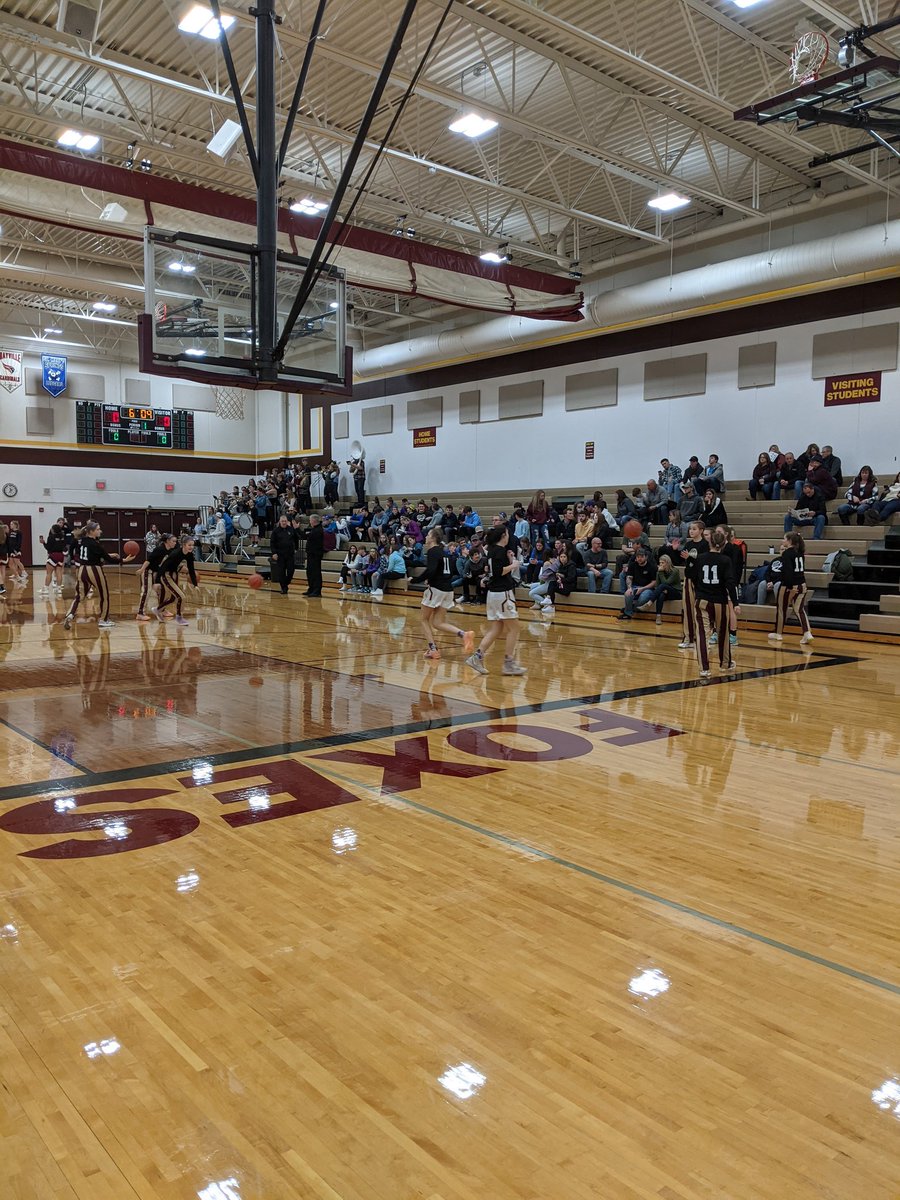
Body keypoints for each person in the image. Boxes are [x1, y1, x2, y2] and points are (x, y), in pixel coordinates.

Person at [465, 526, 525, 676]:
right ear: (503, 536)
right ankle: (509, 663)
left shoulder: (492, 550)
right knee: (514, 628)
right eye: (508, 533)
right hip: (502, 594)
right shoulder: (499, 550)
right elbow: (499, 572)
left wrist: (509, 560)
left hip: (493, 594)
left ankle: (476, 657)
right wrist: (514, 564)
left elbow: (492, 570)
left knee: (496, 629)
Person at [419, 530, 476, 660]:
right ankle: (463, 634)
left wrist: (416, 579)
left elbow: (430, 570)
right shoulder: (444, 553)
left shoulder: (433, 551)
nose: (426, 536)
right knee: (437, 622)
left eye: (428, 535)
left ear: (433, 538)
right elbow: (447, 573)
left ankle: (433, 649)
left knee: (424, 619)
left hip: (437, 589)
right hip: (448, 590)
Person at [64, 521, 127, 630]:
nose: (100, 531)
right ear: (91, 531)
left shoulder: (82, 541)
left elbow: (95, 553)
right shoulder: (95, 544)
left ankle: (70, 614)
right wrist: (123, 560)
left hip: (82, 569)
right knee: (104, 595)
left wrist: (110, 555)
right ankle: (104, 620)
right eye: (98, 529)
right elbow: (108, 559)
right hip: (94, 569)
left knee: (79, 596)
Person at [693, 528, 739, 677]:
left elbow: (693, 577)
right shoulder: (725, 560)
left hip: (702, 600)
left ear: (709, 542)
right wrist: (736, 603)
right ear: (723, 544)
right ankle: (725, 664)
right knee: (723, 633)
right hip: (720, 601)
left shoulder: (700, 558)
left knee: (702, 634)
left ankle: (704, 668)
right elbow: (730, 583)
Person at [769, 532, 813, 645]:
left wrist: (789, 587)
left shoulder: (787, 554)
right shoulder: (800, 553)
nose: (782, 541)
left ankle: (778, 633)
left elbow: (788, 572)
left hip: (789, 586)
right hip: (802, 584)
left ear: (789, 541)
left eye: (784, 539)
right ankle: (807, 632)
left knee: (781, 609)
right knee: (800, 609)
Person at [677, 520, 709, 649]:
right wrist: (675, 550)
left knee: (701, 609)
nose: (691, 531)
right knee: (688, 609)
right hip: (689, 578)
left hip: (700, 580)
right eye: (690, 529)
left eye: (694, 529)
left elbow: (703, 562)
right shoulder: (689, 544)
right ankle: (689, 638)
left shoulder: (705, 545)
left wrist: (690, 558)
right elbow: (683, 559)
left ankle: (703, 638)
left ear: (701, 531)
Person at [155, 535, 199, 625]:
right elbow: (163, 566)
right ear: (184, 545)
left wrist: (195, 584)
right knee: (181, 597)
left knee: (172, 598)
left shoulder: (189, 555)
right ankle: (179, 617)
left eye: (192, 545)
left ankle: (157, 609)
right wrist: (157, 581)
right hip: (166, 575)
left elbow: (191, 570)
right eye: (189, 545)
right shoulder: (175, 554)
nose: (191, 547)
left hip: (174, 575)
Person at [136, 532, 177, 620]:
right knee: (147, 591)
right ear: (167, 541)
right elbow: (148, 560)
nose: (175, 543)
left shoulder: (170, 551)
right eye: (173, 541)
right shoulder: (159, 549)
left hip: (156, 572)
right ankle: (140, 613)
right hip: (148, 571)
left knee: (162, 589)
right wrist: (142, 569)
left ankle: (161, 609)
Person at [617, 545, 657, 620]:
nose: (639, 559)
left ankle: (629, 608)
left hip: (647, 588)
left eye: (641, 557)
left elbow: (654, 582)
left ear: (646, 557)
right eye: (638, 557)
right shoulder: (632, 565)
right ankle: (628, 614)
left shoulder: (652, 567)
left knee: (643, 598)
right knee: (628, 594)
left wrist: (642, 589)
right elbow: (629, 577)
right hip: (635, 586)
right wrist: (629, 588)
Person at [270, 514, 299, 595]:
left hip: (290, 554)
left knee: (291, 571)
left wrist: (296, 548)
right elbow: (272, 543)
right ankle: (284, 588)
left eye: (285, 521)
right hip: (280, 555)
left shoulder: (291, 529)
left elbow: (296, 538)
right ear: (280, 522)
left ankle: (286, 583)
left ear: (287, 522)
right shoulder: (275, 531)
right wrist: (274, 553)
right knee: (281, 572)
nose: (284, 522)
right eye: (282, 521)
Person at [653, 554, 682, 625]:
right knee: (661, 595)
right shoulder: (660, 572)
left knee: (663, 585)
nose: (661, 564)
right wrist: (659, 573)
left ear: (668, 563)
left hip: (676, 592)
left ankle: (650, 601)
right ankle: (658, 616)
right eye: (660, 563)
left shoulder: (675, 571)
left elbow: (666, 583)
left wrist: (660, 573)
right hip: (665, 592)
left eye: (662, 563)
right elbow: (657, 586)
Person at [39, 523, 67, 595]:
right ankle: (59, 589)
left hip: (53, 555)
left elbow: (48, 548)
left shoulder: (51, 537)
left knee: (49, 573)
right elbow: (65, 546)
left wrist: (43, 543)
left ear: (53, 530)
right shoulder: (62, 537)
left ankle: (46, 589)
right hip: (61, 555)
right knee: (59, 573)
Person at [304, 514, 324, 597]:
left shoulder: (318, 530)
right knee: (310, 572)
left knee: (315, 572)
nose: (309, 521)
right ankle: (311, 588)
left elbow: (307, 536)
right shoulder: (315, 529)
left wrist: (297, 529)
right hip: (311, 554)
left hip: (315, 555)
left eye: (310, 520)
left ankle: (316, 590)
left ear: (313, 521)